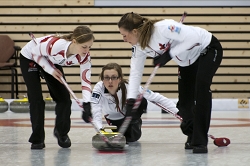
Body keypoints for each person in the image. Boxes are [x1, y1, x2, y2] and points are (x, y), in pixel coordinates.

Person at [117, 12, 223, 153]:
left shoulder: (164, 28)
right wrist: (131, 100)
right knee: (185, 105)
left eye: (124, 35)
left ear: (135, 31)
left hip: (207, 49)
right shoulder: (138, 47)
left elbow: (194, 38)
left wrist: (170, 54)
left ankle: (200, 141)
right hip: (187, 62)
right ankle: (192, 134)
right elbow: (135, 72)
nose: (123, 39)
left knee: (201, 89)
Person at [20, 25, 94, 149]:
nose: (87, 50)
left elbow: (86, 80)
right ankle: (37, 139)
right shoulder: (57, 46)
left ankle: (62, 133)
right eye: (84, 46)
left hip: (51, 60)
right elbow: (35, 53)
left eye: (89, 47)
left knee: (64, 98)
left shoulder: (84, 56)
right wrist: (50, 70)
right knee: (36, 99)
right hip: (30, 57)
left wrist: (87, 103)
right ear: (74, 42)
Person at [82, 63, 179, 143]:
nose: (110, 81)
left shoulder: (131, 86)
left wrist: (178, 112)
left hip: (130, 119)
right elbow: (96, 111)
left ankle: (134, 124)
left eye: (114, 77)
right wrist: (100, 131)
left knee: (142, 101)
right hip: (113, 121)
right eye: (106, 78)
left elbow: (156, 98)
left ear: (120, 79)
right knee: (115, 137)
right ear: (102, 79)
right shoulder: (98, 89)